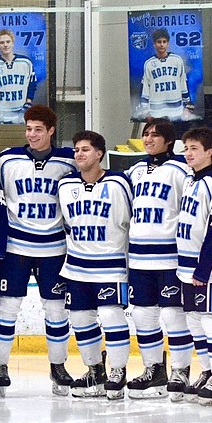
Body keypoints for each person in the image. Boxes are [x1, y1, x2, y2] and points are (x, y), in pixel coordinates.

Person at [0, 105, 76, 396]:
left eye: (38, 129)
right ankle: (0, 365)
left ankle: (58, 366)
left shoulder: (69, 161)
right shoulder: (7, 159)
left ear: (51, 131)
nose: (32, 134)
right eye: (28, 129)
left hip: (54, 247)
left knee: (55, 310)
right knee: (7, 308)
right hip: (15, 247)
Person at [58, 131, 133, 399]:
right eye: (76, 149)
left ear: (99, 153)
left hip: (111, 265)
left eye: (86, 149)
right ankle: (94, 370)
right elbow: (67, 223)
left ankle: (118, 370)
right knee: (79, 319)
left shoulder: (117, 183)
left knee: (112, 317)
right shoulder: (65, 185)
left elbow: (130, 221)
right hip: (77, 266)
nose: (79, 154)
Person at [125, 118, 195, 401]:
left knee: (172, 314)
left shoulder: (181, 170)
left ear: (169, 141)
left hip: (169, 257)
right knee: (143, 315)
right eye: (146, 134)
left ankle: (180, 370)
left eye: (155, 135)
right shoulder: (134, 171)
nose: (149, 139)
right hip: (139, 257)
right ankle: (154, 368)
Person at [176, 127, 212, 406]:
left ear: (209, 152)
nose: (188, 153)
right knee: (194, 319)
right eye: (186, 148)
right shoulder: (192, 180)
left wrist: (205, 267)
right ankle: (208, 371)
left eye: (194, 149)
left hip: (210, 266)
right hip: (188, 265)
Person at [0, 29, 37, 124]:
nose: (5, 45)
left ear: (13, 43)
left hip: (21, 112)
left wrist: (28, 103)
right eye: (2, 42)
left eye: (8, 42)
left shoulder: (26, 62)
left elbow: (32, 85)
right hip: (2, 114)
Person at [140, 29, 194, 121]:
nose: (161, 44)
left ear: (168, 44)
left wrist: (187, 105)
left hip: (176, 109)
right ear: (154, 44)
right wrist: (145, 109)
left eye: (164, 42)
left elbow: (183, 83)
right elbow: (146, 87)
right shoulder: (149, 63)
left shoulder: (177, 60)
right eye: (159, 42)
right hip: (156, 111)